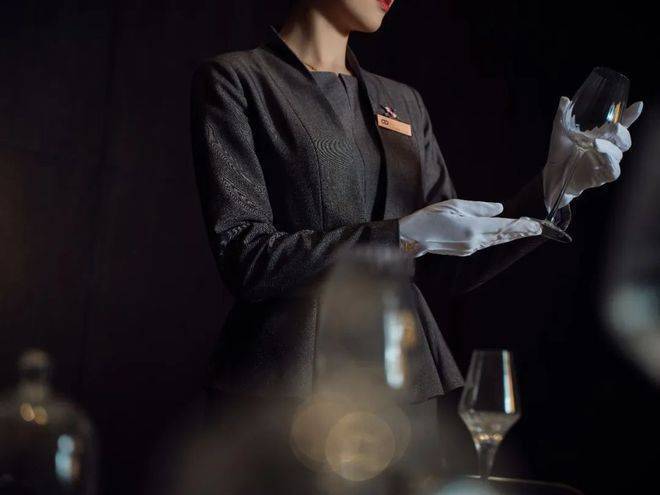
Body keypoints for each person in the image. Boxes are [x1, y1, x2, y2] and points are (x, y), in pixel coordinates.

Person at [189, 0, 642, 477]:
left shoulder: (403, 102)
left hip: (403, 385)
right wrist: (399, 236)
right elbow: (246, 257)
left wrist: (556, 187)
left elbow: (450, 262)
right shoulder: (236, 80)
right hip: (284, 390)